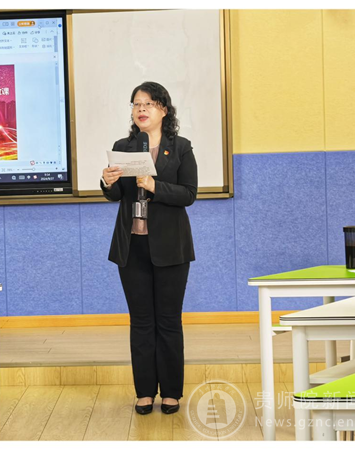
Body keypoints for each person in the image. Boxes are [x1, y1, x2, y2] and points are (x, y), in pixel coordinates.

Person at [100, 81, 197, 415]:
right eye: (136, 104)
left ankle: (170, 392)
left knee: (168, 320)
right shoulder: (123, 147)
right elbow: (116, 196)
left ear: (163, 110)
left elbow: (189, 194)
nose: (141, 109)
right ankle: (144, 392)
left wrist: (155, 186)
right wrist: (108, 182)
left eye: (149, 103)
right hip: (132, 246)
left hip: (171, 247)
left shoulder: (180, 147)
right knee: (141, 320)